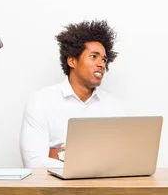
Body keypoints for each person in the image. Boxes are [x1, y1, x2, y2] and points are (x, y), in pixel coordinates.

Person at [19, 20, 126, 168]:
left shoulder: (113, 106)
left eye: (104, 59)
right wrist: (96, 162)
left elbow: (123, 160)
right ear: (72, 61)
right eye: (94, 57)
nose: (101, 64)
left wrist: (60, 155)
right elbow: (34, 163)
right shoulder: (41, 102)